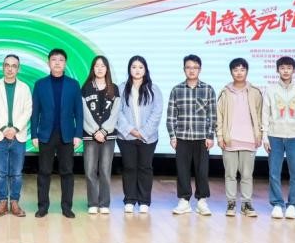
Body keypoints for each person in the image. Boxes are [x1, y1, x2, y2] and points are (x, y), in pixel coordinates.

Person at [31, 48, 84, 219]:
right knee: (44, 172)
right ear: (49, 62)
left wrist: (78, 134)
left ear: (65, 63)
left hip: (67, 134)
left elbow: (79, 112)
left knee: (67, 172)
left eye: (61, 60)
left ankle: (67, 207)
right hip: (46, 134)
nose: (57, 63)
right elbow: (35, 111)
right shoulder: (40, 84)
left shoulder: (73, 84)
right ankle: (43, 207)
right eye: (54, 60)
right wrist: (34, 134)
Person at [262, 56, 295, 220]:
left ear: (294, 70)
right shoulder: (270, 89)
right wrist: (265, 136)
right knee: (274, 172)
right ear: (277, 70)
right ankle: (277, 204)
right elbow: (265, 113)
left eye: (289, 68)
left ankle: (292, 205)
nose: (286, 71)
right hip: (274, 135)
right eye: (282, 68)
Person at [167, 54, 217, 216]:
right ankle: (184, 201)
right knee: (182, 171)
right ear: (184, 69)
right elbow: (171, 116)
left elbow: (212, 115)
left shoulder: (208, 89)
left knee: (202, 171)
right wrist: (172, 136)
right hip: (182, 137)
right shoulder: (177, 90)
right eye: (188, 67)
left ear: (200, 69)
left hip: (202, 138)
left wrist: (210, 136)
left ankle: (202, 201)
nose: (192, 70)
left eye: (195, 67)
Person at [216, 58, 263, 218]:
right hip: (229, 139)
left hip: (249, 139)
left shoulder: (255, 92)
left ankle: (246, 204)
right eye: (236, 70)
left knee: (247, 175)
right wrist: (220, 136)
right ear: (231, 72)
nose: (239, 73)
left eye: (242, 69)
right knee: (230, 174)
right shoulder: (225, 92)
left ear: (247, 71)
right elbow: (219, 116)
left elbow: (260, 115)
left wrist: (259, 134)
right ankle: (231, 203)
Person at [115, 55, 163, 214]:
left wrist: (143, 132)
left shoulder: (154, 89)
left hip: (148, 137)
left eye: (140, 67)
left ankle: (144, 201)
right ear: (129, 69)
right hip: (126, 136)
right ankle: (129, 200)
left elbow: (157, 113)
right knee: (129, 167)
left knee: (145, 168)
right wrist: (130, 130)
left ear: (145, 70)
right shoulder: (121, 88)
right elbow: (117, 112)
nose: (137, 70)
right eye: (134, 67)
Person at [0, 54, 33, 218]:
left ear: (18, 69)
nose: (10, 69)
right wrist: (4, 128)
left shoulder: (25, 88)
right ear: (3, 67)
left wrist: (14, 129)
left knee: (17, 173)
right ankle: (2, 202)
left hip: (18, 136)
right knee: (0, 172)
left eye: (14, 66)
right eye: (7, 65)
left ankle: (14, 202)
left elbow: (28, 110)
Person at [82, 56, 122, 215]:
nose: (100, 68)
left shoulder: (114, 88)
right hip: (90, 135)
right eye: (97, 66)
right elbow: (84, 111)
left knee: (105, 170)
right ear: (93, 68)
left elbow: (116, 112)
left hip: (108, 136)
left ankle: (104, 203)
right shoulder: (86, 88)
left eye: (103, 66)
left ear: (107, 69)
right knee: (90, 170)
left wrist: (104, 131)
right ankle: (92, 202)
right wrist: (94, 131)